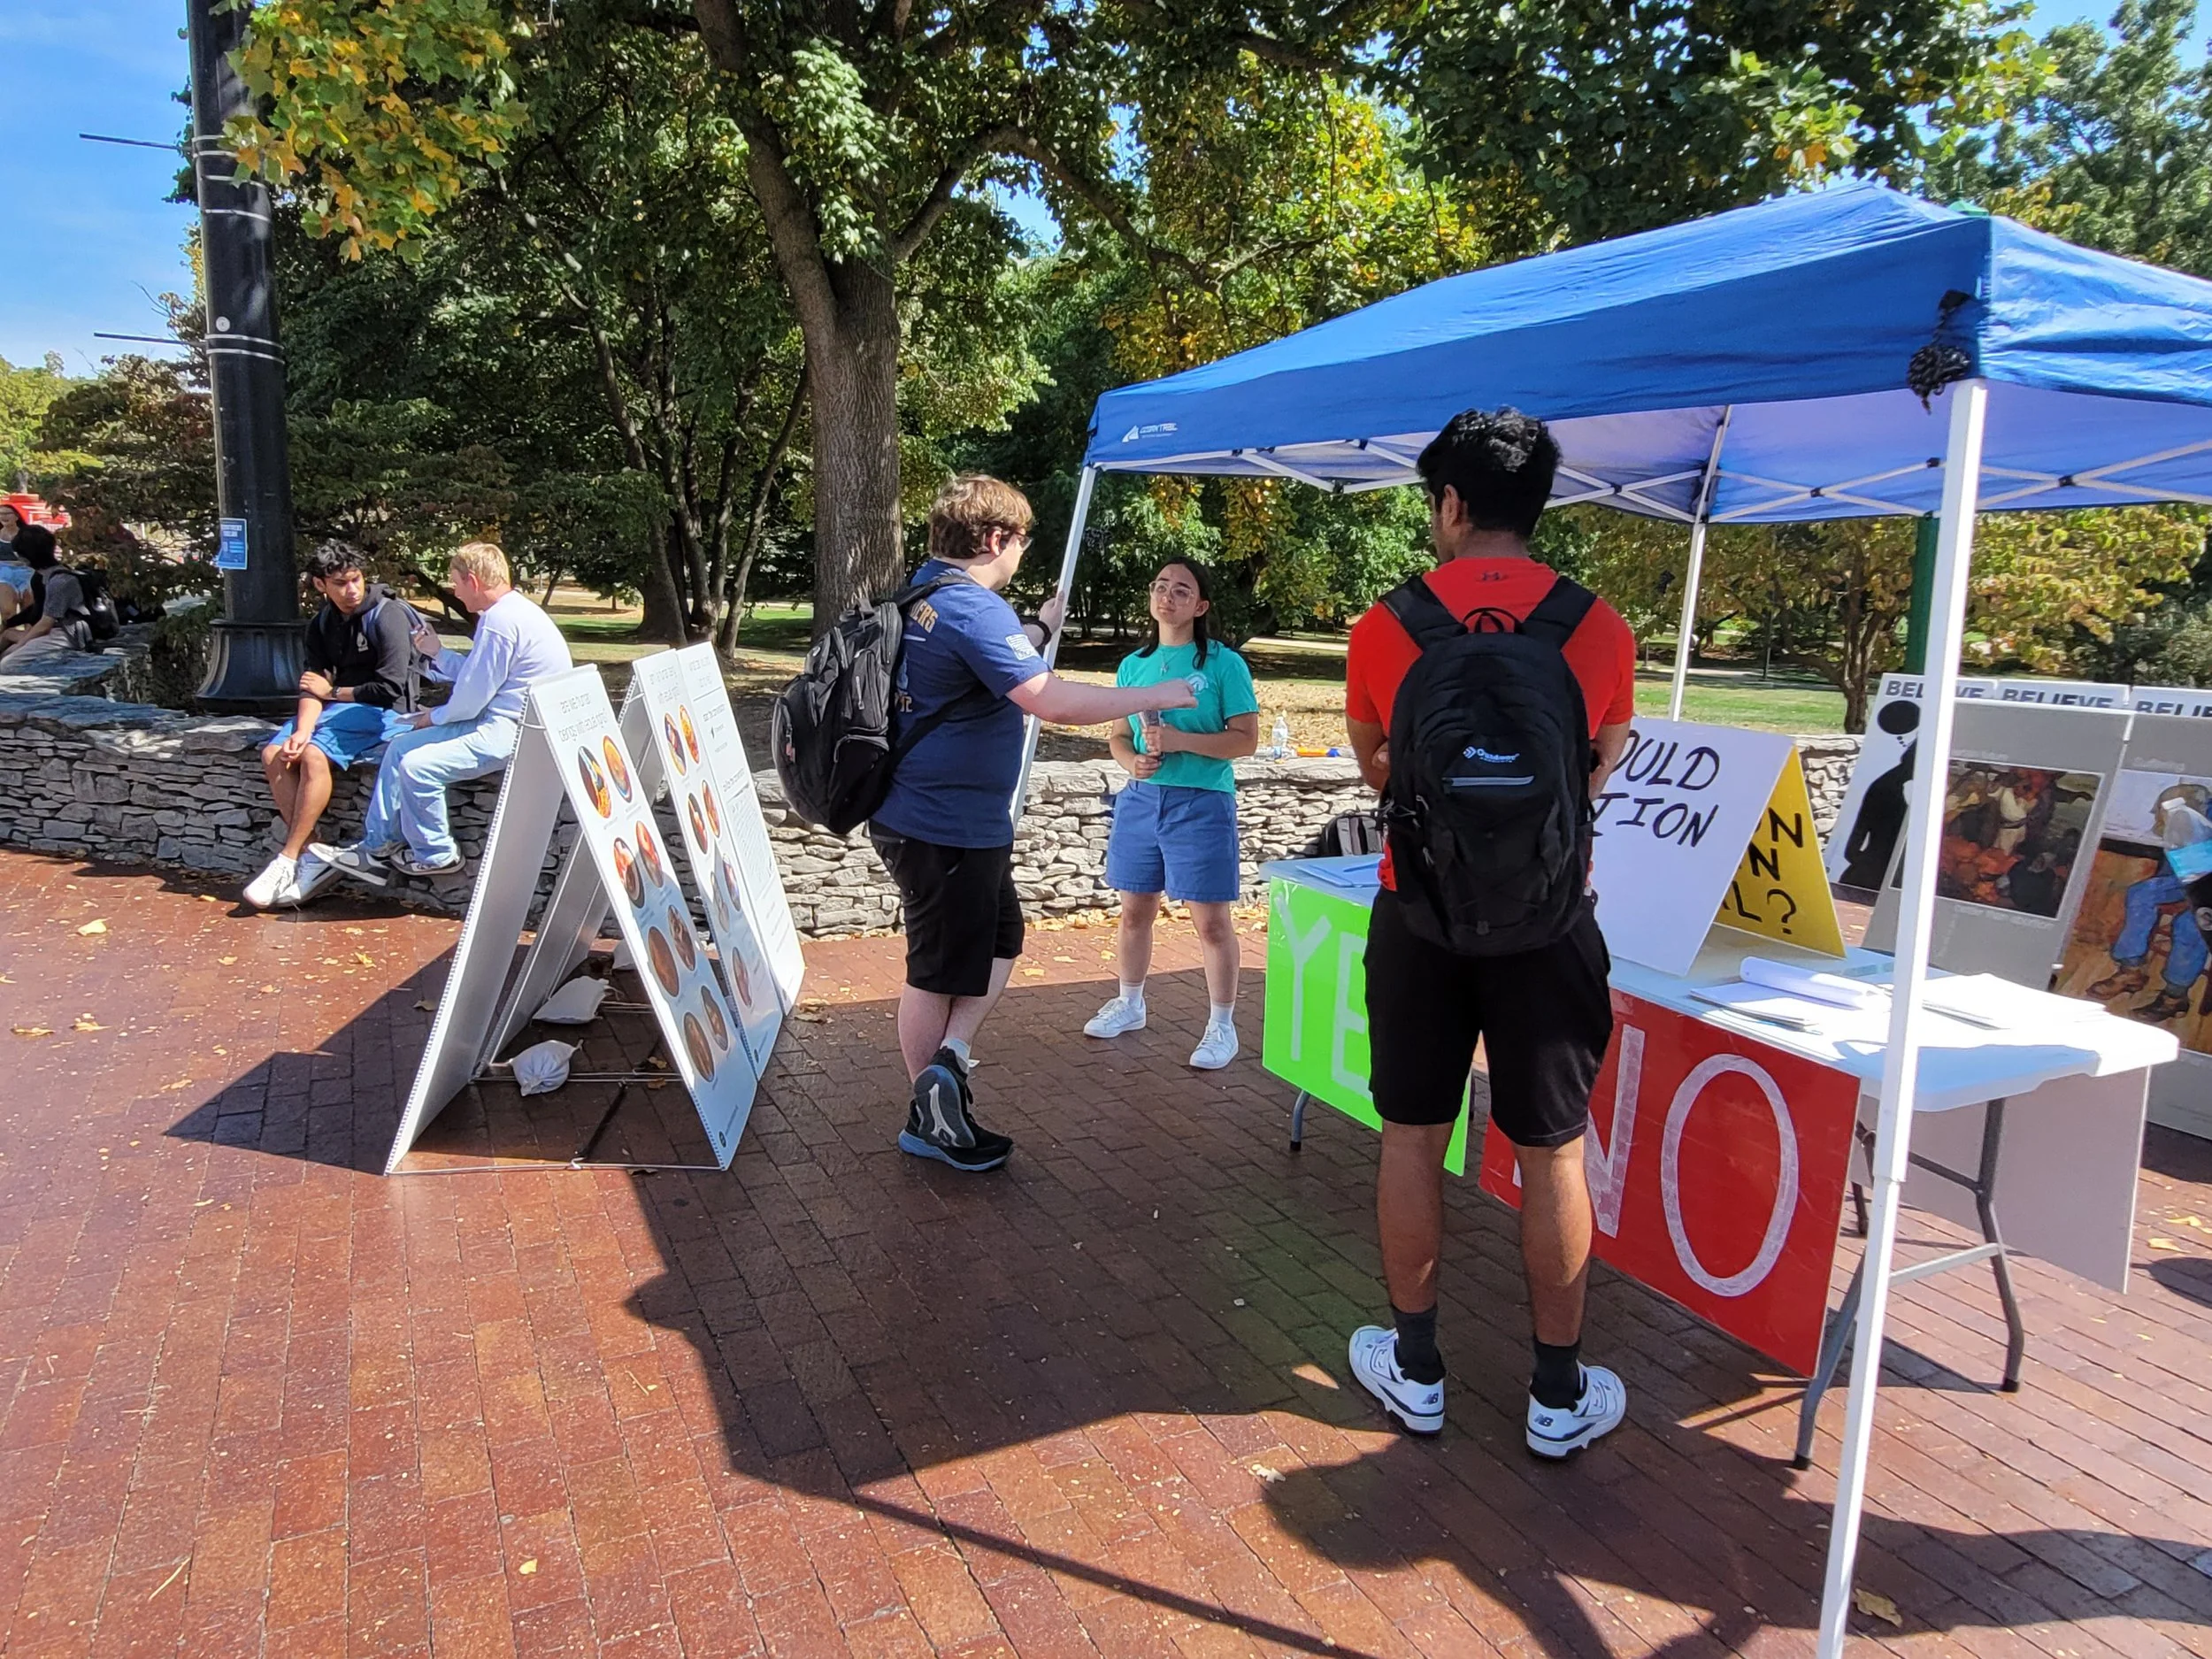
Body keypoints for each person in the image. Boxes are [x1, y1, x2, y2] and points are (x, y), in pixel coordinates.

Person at [1340, 407, 1636, 1455]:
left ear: (1454, 504)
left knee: (1413, 1136)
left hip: (1418, 913)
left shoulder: (1384, 626)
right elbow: (1598, 767)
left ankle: (1415, 1369)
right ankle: (1555, 1395)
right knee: (1552, 1152)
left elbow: (1378, 768)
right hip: (1551, 923)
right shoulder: (1598, 627)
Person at [868, 475, 1195, 1173]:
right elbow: (1050, 699)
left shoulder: (925, 593)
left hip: (943, 819)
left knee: (1000, 938)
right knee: (936, 968)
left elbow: (998, 655)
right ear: (994, 540)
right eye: (1018, 542)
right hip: (944, 824)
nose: (1019, 554)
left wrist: (1043, 625)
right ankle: (931, 1118)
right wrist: (1156, 693)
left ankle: (946, 1069)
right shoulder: (969, 608)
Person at [1082, 557, 1260, 1069]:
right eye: (1160, 586)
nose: (1167, 597)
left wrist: (1181, 740)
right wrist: (1131, 761)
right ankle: (1130, 1002)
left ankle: (1222, 1026)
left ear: (1200, 605)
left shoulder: (1224, 664)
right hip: (1141, 801)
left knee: (1211, 923)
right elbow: (1117, 736)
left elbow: (1245, 740)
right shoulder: (1134, 665)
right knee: (1135, 910)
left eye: (1182, 591)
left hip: (1201, 802)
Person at [314, 541, 571, 881]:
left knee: (417, 767)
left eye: (456, 582)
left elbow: (470, 701)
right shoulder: (512, 613)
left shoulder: (500, 622)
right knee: (400, 747)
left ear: (473, 582)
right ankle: (376, 848)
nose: (453, 590)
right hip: (506, 722)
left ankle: (437, 854)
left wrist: (428, 718)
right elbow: (482, 677)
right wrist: (437, 653)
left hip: (514, 732)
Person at [242, 546, 423, 909]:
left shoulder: (387, 617)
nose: (352, 589)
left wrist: (334, 694)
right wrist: (302, 728)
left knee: (313, 755)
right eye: (341, 583)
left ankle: (289, 858)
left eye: (356, 579)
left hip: (384, 711)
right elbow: (312, 686)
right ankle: (314, 854)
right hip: (338, 708)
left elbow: (390, 688)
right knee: (275, 752)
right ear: (321, 585)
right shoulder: (321, 624)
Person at [0, 526, 88, 668]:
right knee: (7, 635)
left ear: (26, 558)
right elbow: (36, 611)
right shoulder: (42, 577)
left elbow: (44, 625)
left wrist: (19, 646)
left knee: (7, 664)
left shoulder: (60, 581)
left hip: (67, 633)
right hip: (53, 629)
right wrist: (9, 624)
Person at [0, 504, 30, 626]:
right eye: (1, 514)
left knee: (29, 613)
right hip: (3, 573)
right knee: (7, 612)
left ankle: (29, 643)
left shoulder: (27, 535)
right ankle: (6, 642)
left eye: (7, 513)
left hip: (26, 572)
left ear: (16, 517)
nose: (3, 516)